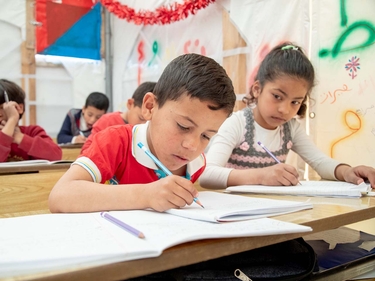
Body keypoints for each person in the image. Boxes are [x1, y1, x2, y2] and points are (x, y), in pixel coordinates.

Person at [48, 53, 236, 213]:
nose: (192, 145)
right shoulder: (116, 142)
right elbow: (60, 195)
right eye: (183, 126)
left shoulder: (196, 163)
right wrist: (146, 195)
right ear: (150, 106)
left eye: (206, 136)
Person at [199, 42, 375, 189]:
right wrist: (261, 176)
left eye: (295, 102)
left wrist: (347, 172)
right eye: (277, 97)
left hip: (276, 213)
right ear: (257, 89)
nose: (285, 109)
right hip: (236, 215)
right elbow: (207, 174)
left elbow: (320, 162)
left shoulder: (290, 129)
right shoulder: (237, 124)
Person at [80, 81, 156, 153]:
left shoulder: (149, 131)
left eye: (150, 122)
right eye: (141, 118)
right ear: (130, 104)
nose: (144, 124)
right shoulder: (107, 122)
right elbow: (86, 152)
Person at [0, 79, 62, 162]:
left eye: (1, 108)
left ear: (19, 108)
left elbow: (56, 155)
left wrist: (17, 136)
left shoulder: (32, 131)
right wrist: (10, 125)